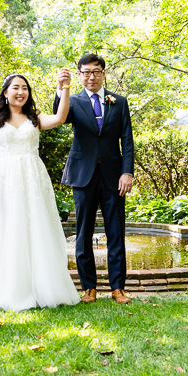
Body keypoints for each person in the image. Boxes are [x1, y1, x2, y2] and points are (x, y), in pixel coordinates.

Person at [0, 73, 80, 311]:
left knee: (37, 230)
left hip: (34, 179)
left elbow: (62, 117)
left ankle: (42, 287)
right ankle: (8, 288)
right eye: (15, 88)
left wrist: (64, 87)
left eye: (25, 88)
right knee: (7, 229)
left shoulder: (35, 118)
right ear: (5, 92)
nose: (21, 92)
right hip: (4, 181)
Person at [52, 54, 135, 304]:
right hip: (83, 176)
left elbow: (127, 140)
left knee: (116, 233)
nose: (91, 76)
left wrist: (127, 172)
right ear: (79, 75)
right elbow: (60, 117)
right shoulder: (72, 100)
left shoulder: (118, 102)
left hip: (113, 176)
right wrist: (60, 89)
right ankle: (89, 287)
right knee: (83, 233)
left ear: (103, 73)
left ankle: (118, 288)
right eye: (86, 72)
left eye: (96, 72)